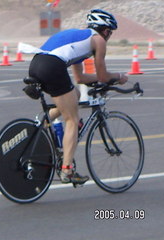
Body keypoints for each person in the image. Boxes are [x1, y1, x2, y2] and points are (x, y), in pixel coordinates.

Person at [28, 9, 128, 185]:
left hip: (36, 64)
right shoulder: (98, 40)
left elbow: (80, 78)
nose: (109, 36)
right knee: (73, 119)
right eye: (110, 32)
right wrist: (119, 77)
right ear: (105, 30)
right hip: (52, 66)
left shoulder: (80, 38)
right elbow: (103, 76)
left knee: (73, 94)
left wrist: (101, 79)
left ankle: (42, 122)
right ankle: (67, 170)